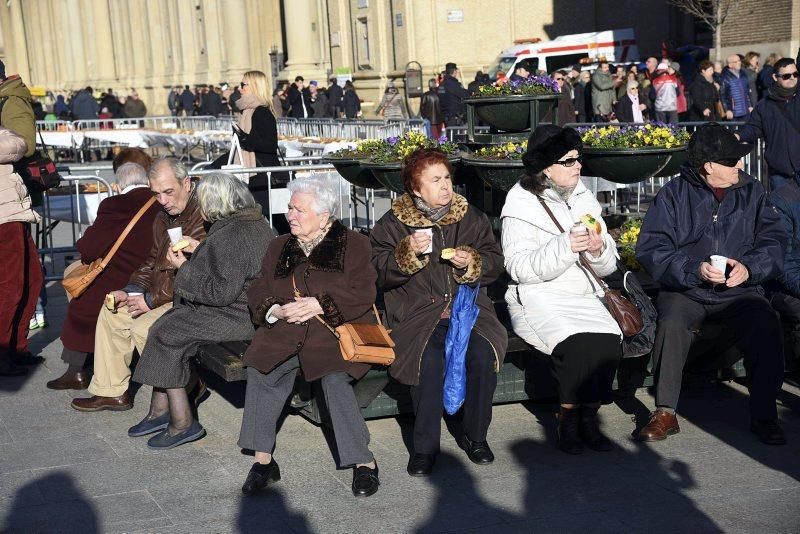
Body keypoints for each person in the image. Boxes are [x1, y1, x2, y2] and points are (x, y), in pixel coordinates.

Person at [635, 123, 787, 446]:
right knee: (673, 320)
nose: (741, 166)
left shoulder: (753, 191)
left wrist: (750, 268)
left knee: (764, 320)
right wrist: (694, 269)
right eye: (733, 161)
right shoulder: (674, 193)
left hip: (738, 289)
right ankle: (665, 412)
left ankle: (764, 415)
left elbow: (774, 241)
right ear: (709, 167)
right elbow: (652, 248)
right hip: (687, 288)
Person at [238, 175, 380, 497]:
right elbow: (259, 286)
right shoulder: (279, 245)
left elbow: (364, 292)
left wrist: (321, 303)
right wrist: (274, 309)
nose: (290, 215)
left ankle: (364, 462)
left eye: (299, 210)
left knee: (333, 381)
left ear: (324, 216)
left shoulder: (353, 244)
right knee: (262, 368)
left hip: (334, 333)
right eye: (290, 208)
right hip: (287, 332)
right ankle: (263, 462)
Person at [370, 148, 508, 475]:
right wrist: (407, 254)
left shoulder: (468, 216)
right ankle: (424, 448)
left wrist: (471, 262)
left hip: (468, 311)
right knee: (427, 362)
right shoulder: (393, 224)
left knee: (480, 355)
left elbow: (494, 260)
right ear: (416, 189)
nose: (445, 186)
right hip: (417, 316)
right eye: (435, 180)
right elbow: (376, 270)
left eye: (447, 177)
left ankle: (475, 436)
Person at [130, 173, 275, 449]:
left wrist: (182, 268)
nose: (200, 207)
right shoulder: (249, 223)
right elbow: (229, 273)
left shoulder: (232, 233)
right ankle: (161, 412)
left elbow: (219, 293)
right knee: (167, 324)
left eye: (203, 201)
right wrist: (201, 251)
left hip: (238, 318)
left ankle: (183, 424)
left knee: (167, 332)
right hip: (242, 310)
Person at [501, 125, 622, 454]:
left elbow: (608, 264)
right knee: (579, 343)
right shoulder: (521, 202)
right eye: (569, 161)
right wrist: (565, 247)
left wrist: (598, 250)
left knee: (609, 342)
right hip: (541, 295)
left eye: (578, 159)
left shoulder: (583, 195)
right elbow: (519, 267)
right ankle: (568, 417)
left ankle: (589, 415)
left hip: (584, 293)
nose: (578, 166)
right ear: (546, 167)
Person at [71, 158, 206, 411]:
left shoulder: (204, 212)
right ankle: (111, 392)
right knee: (113, 311)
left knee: (145, 328)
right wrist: (130, 290)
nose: (163, 200)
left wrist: (150, 300)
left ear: (186, 184)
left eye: (169, 192)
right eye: (156, 194)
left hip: (193, 298)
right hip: (165, 293)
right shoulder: (163, 214)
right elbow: (150, 262)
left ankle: (187, 382)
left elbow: (194, 276)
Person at [46, 162, 160, 390]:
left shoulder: (114, 204)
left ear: (118, 185)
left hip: (122, 278)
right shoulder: (159, 202)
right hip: (152, 275)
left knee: (83, 300)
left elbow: (89, 248)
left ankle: (77, 370)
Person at [0, 126, 42, 376]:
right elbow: (18, 144)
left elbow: (18, 144)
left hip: (14, 212)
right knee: (10, 287)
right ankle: (4, 352)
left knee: (33, 280)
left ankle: (17, 347)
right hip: (4, 217)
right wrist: (11, 139)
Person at [233, 70, 289, 234]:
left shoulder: (261, 112)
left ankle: (292, 250)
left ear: (255, 87)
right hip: (257, 175)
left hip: (265, 176)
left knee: (276, 219)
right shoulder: (247, 112)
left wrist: (245, 139)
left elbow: (270, 145)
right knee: (265, 219)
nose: (240, 88)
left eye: (243, 85)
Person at [737, 58, 800, 191]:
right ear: (775, 77)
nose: (792, 78)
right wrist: (737, 135)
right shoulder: (765, 105)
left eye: (795, 74)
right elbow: (753, 128)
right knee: (782, 211)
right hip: (779, 174)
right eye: (786, 76)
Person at [720, 54, 753, 121]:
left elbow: (747, 91)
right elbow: (723, 95)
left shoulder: (743, 74)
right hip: (734, 113)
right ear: (730, 65)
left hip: (745, 111)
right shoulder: (725, 77)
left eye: (739, 61)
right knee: (735, 131)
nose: (739, 63)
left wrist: (750, 105)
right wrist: (727, 110)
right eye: (736, 62)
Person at [438, 62, 470, 127]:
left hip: (445, 117)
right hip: (455, 118)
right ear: (454, 71)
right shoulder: (455, 84)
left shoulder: (441, 85)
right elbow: (466, 95)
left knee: (449, 136)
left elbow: (440, 99)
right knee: (458, 136)